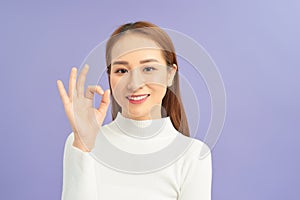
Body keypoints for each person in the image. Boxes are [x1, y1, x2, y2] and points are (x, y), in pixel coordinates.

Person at [57, 21, 212, 200]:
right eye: (122, 70)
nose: (134, 84)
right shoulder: (80, 143)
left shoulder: (193, 155)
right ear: (110, 77)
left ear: (170, 74)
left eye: (148, 68)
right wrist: (83, 146)